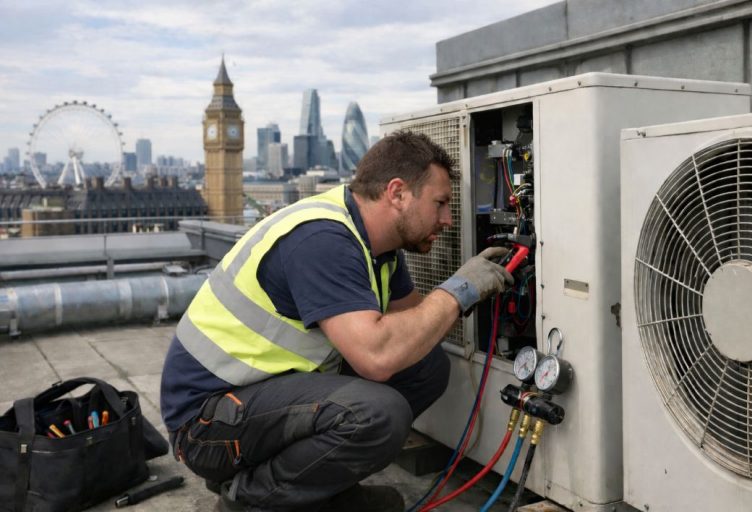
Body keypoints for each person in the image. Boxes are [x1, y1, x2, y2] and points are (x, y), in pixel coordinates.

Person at [160, 130, 513, 512]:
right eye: (440, 203)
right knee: (378, 412)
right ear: (397, 193)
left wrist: (465, 298)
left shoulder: (379, 249)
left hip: (261, 399)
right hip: (206, 424)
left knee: (426, 368)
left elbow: (413, 332)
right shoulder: (322, 239)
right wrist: (458, 292)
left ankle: (320, 489)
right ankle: (250, 499)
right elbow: (376, 357)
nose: (447, 219)